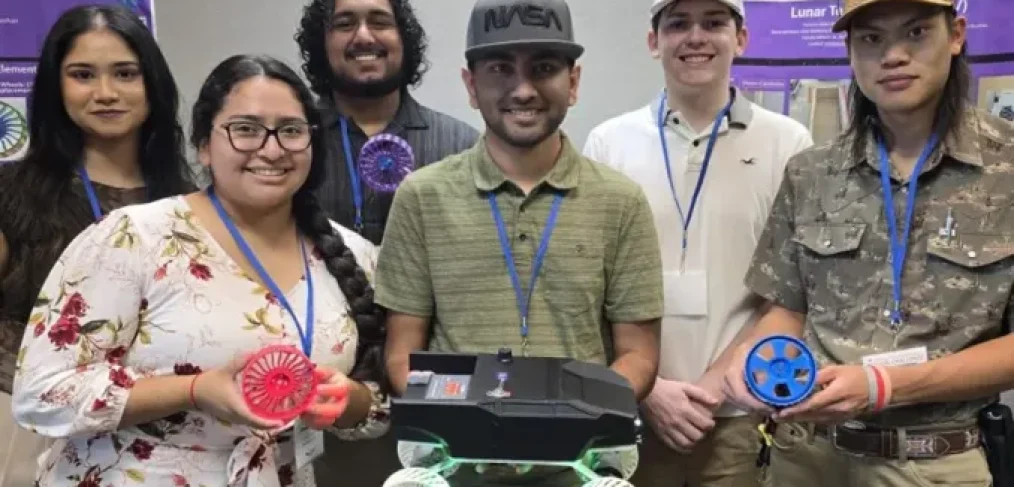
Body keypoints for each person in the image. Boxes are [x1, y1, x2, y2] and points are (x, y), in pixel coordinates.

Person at [11, 54, 389, 487]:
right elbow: (42, 394)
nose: (271, 148)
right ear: (205, 146)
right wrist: (194, 391)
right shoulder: (134, 238)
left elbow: (379, 401)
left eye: (291, 131)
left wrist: (352, 401)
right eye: (245, 129)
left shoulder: (354, 255)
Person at [720, 0, 1014, 485]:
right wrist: (755, 358)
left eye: (916, 32)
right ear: (851, 53)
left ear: (957, 35)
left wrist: (884, 385)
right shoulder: (812, 173)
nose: (893, 55)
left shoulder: (1004, 172)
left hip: (934, 461)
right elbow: (788, 309)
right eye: (871, 39)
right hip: (806, 457)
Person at [377, 0, 664, 484]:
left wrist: (560, 426)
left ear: (572, 82)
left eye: (544, 68)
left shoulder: (621, 201)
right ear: (471, 85)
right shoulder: (421, 197)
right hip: (457, 462)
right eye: (500, 69)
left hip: (579, 462)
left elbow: (639, 355)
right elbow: (402, 353)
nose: (523, 89)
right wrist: (478, 426)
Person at [582, 0, 813, 485]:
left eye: (714, 23)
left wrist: (711, 390)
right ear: (653, 41)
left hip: (737, 414)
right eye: (678, 24)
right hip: (631, 413)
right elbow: (588, 287)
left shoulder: (789, 145)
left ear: (742, 39)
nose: (696, 37)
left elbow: (794, 291)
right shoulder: (609, 143)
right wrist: (649, 390)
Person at [0, 5, 195, 486]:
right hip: (28, 429)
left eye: (125, 74)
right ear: (54, 87)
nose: (106, 93)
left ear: (152, 83)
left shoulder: (188, 198)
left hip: (159, 430)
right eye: (82, 75)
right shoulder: (9, 191)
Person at [295, 0, 480, 245]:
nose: (363, 36)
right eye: (344, 24)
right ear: (322, 43)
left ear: (404, 39)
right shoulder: (294, 143)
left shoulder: (463, 147)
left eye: (380, 22)